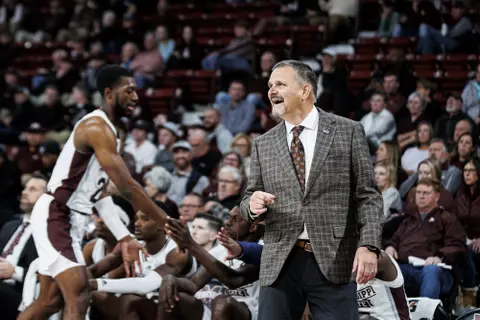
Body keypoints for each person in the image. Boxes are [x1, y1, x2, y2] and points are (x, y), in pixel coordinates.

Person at [18, 65, 170, 320]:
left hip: (70, 216)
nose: (135, 97)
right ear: (109, 93)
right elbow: (127, 186)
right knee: (79, 294)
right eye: (129, 90)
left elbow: (98, 196)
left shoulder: (112, 133)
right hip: (58, 213)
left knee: (50, 301)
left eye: (136, 90)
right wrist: (166, 221)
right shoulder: (96, 128)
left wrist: (123, 237)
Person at [239, 60, 384, 319]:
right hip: (279, 260)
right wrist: (251, 205)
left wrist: (369, 245)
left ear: (305, 91)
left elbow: (368, 196)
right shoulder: (263, 143)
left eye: (280, 84)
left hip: (334, 257)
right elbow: (249, 196)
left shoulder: (348, 131)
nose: (272, 90)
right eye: (270, 85)